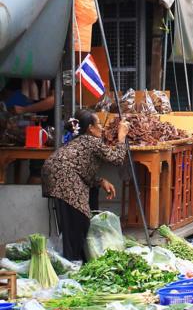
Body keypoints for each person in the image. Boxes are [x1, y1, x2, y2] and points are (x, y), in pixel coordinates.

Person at [42, 109, 129, 261]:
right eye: (99, 124)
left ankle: (74, 258)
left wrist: (100, 181)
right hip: (65, 177)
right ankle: (74, 261)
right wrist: (122, 137)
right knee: (79, 221)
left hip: (56, 174)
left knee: (73, 220)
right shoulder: (91, 141)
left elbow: (82, 169)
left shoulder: (80, 141)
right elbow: (116, 159)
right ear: (90, 127)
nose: (102, 128)